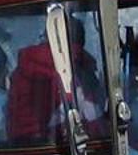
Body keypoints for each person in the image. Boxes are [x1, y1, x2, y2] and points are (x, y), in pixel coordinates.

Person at [6, 14, 106, 142]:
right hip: (60, 147)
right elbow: (91, 121)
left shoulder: (22, 70)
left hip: (19, 150)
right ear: (80, 42)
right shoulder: (75, 69)